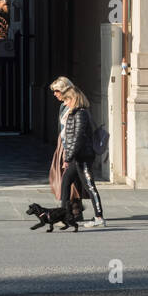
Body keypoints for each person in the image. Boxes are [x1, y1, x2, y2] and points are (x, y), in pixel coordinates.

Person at [50, 76, 105, 229]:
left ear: (72, 99)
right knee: (66, 182)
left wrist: (68, 157)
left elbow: (77, 138)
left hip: (82, 156)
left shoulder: (80, 113)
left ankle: (99, 216)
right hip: (76, 155)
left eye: (66, 100)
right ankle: (65, 214)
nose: (64, 103)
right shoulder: (74, 112)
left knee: (89, 186)